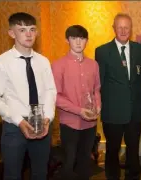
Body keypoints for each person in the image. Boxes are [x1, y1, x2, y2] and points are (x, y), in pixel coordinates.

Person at [0, 12, 57, 180]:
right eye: (22, 29)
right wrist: (19, 120)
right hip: (14, 127)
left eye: (32, 29)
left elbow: (50, 91)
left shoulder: (43, 61)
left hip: (42, 125)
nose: (28, 34)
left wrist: (47, 118)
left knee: (41, 173)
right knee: (12, 175)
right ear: (12, 33)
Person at [95, 13, 141, 180]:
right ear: (113, 28)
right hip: (113, 113)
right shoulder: (102, 51)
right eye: (120, 27)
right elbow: (100, 83)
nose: (123, 30)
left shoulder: (140, 50)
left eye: (127, 27)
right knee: (112, 150)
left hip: (135, 111)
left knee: (133, 150)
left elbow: (140, 77)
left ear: (131, 29)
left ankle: (133, 177)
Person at [52, 25, 101, 180]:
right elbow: (56, 97)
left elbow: (97, 90)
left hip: (90, 123)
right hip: (70, 123)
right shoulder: (58, 65)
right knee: (69, 163)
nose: (78, 42)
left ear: (86, 41)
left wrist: (98, 105)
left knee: (85, 162)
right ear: (67, 40)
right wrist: (79, 110)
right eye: (74, 38)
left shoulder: (93, 64)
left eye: (82, 38)